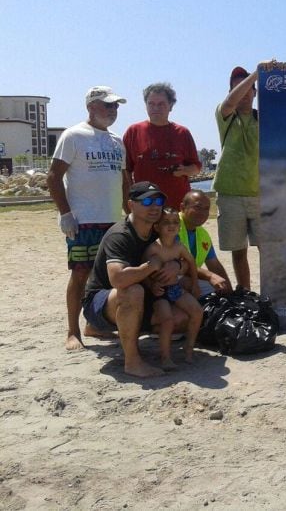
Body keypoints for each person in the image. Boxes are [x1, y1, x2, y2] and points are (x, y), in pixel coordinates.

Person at [48, 86, 130, 351]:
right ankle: (73, 331)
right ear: (91, 107)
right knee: (81, 274)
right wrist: (65, 214)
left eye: (116, 106)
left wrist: (130, 214)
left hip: (112, 221)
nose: (113, 110)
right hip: (84, 221)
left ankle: (94, 325)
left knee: (108, 277)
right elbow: (53, 176)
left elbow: (125, 181)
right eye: (108, 105)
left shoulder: (117, 141)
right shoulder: (73, 136)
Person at [82, 181, 186, 378]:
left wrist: (178, 265)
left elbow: (185, 260)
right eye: (147, 201)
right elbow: (118, 280)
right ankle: (132, 362)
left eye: (158, 200)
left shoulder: (159, 230)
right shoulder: (120, 235)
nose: (155, 206)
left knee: (182, 317)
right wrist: (150, 267)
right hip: (102, 302)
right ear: (131, 205)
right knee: (133, 291)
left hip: (140, 298)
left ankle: (107, 329)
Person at [213, 66, 261, 290]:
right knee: (238, 250)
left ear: (255, 92)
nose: (243, 94)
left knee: (268, 249)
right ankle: (245, 294)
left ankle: (272, 296)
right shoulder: (225, 115)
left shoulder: (264, 118)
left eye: (248, 89)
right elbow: (230, 103)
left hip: (261, 194)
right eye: (237, 89)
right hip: (230, 192)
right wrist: (256, 74)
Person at [123, 82, 201, 210]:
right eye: (151, 104)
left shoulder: (182, 133)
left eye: (161, 104)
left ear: (170, 106)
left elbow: (196, 167)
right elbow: (125, 170)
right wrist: (131, 198)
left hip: (177, 208)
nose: (156, 108)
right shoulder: (133, 131)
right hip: (146, 206)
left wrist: (185, 170)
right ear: (146, 105)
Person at [142, 208, 203, 369]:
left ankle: (189, 349)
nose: (171, 226)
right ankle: (165, 356)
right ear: (157, 227)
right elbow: (143, 272)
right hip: (159, 293)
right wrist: (152, 285)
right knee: (167, 320)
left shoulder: (179, 246)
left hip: (175, 288)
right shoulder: (153, 248)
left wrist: (195, 284)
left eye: (175, 222)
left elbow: (191, 263)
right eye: (166, 223)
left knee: (197, 311)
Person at [178, 190, 233, 296]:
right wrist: (210, 276)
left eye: (206, 209)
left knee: (221, 289)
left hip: (189, 276)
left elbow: (215, 265)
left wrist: (230, 293)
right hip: (169, 277)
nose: (202, 213)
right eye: (197, 207)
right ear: (183, 207)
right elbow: (177, 264)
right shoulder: (172, 226)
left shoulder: (203, 234)